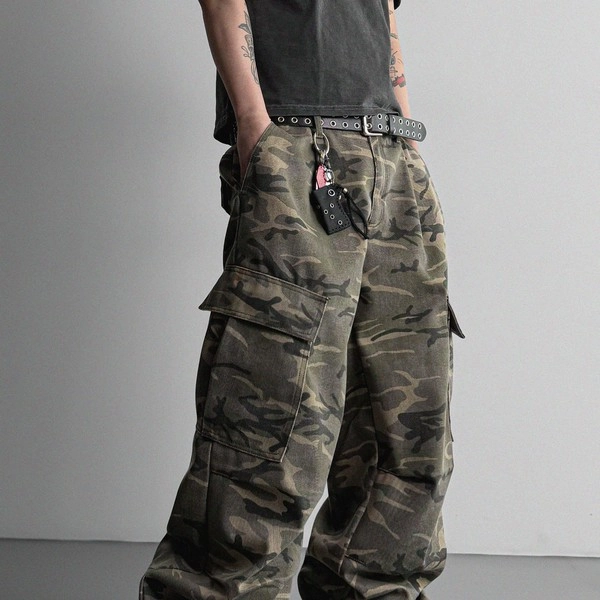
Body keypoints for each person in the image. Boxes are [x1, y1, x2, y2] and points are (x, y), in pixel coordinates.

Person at [139, 1, 466, 598]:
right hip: (297, 142)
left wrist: (405, 134)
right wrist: (253, 124)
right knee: (273, 413)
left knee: (405, 416)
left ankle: (372, 588)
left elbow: (384, 16)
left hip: (392, 152)